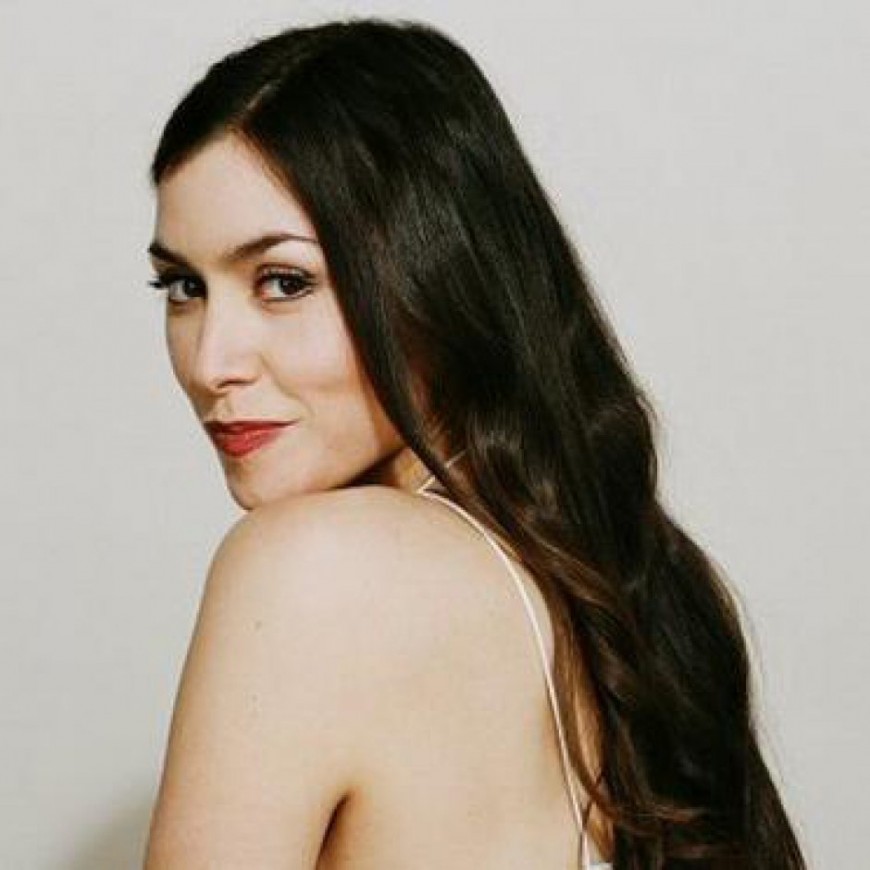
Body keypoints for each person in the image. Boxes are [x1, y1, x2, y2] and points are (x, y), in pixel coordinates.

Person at [141, 17, 805, 869]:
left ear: (434, 273)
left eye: (283, 281)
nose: (211, 361)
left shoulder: (309, 569)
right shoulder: (627, 585)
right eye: (183, 287)